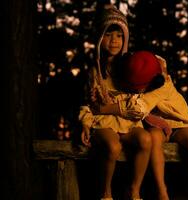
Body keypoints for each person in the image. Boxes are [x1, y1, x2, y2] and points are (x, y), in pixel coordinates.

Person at [78, 5, 151, 200]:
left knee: (145, 139)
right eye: (109, 35)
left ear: (125, 40)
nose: (114, 41)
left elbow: (141, 94)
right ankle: (106, 193)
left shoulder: (129, 68)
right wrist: (85, 123)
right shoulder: (95, 71)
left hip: (127, 121)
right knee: (113, 146)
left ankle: (134, 190)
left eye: (119, 36)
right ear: (100, 38)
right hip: (103, 121)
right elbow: (89, 105)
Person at [117, 50, 188, 200]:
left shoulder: (163, 84)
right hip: (158, 126)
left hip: (179, 124)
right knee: (154, 138)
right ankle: (162, 192)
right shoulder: (137, 86)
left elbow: (142, 106)